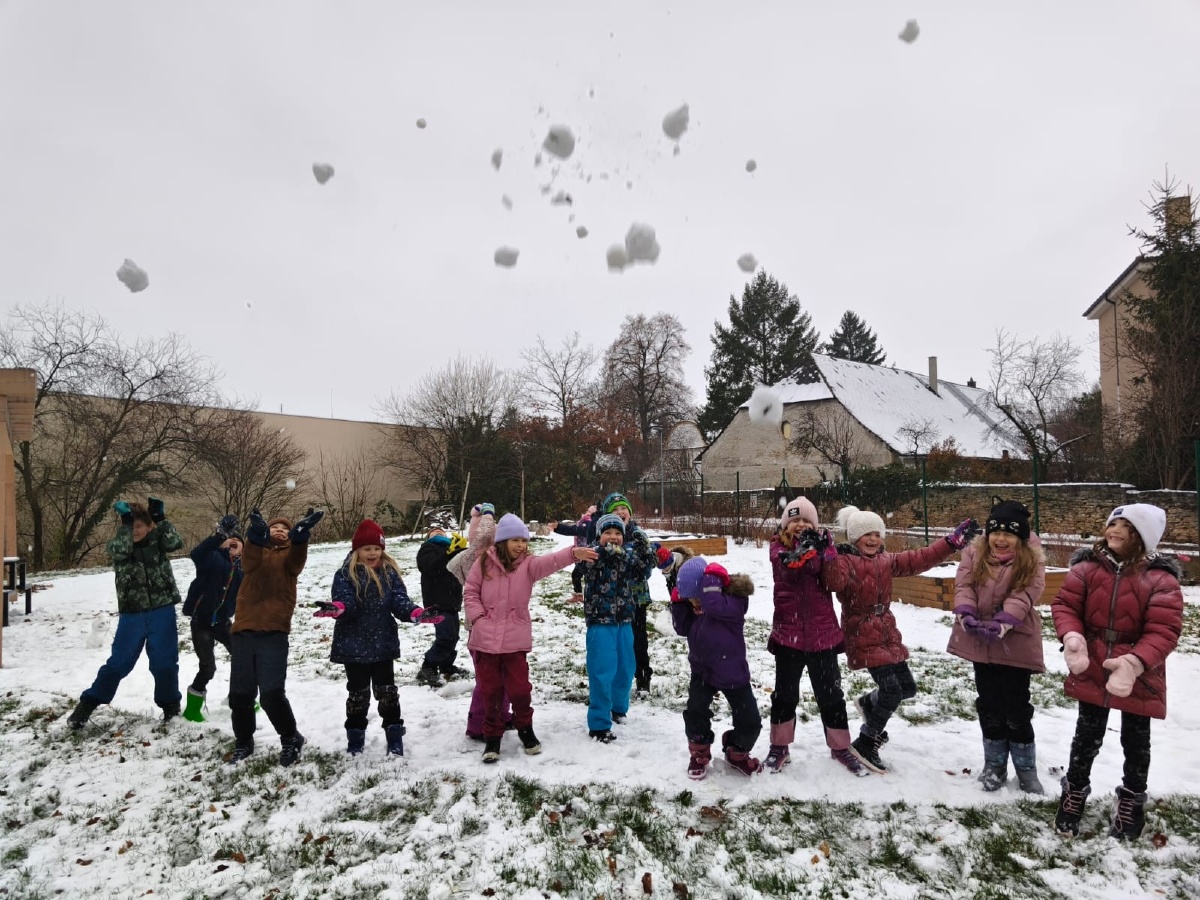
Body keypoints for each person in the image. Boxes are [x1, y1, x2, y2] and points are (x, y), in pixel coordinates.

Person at [1051, 503, 1183, 839]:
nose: (1115, 530)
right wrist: (1072, 637)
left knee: (1136, 741)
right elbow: (1065, 605)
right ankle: (1074, 793)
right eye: (1113, 523)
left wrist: (1134, 663)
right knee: (1086, 735)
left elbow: (1164, 631)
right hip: (1092, 664)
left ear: (1142, 536)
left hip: (1138, 672)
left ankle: (1131, 802)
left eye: (1126, 526)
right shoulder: (1086, 569)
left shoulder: (1161, 580)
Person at [823, 505, 978, 773]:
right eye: (866, 535)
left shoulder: (886, 560)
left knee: (907, 688)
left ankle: (869, 703)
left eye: (877, 534)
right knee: (892, 691)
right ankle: (866, 741)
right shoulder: (845, 561)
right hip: (861, 633)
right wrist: (830, 556)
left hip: (887, 632)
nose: (873, 539)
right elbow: (833, 582)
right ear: (854, 537)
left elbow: (919, 558)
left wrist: (950, 543)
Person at [464, 513, 597, 762]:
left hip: (515, 642)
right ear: (502, 541)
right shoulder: (483, 562)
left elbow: (551, 561)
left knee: (520, 690)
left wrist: (573, 553)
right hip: (485, 641)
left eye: (523, 540)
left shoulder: (528, 565)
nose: (520, 545)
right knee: (490, 692)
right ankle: (492, 738)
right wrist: (478, 618)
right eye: (515, 540)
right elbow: (470, 591)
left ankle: (526, 729)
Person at [313, 519, 442, 756]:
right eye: (367, 548)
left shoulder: (389, 573)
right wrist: (338, 608)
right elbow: (346, 601)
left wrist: (415, 613)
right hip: (353, 645)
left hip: (382, 643)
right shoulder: (345, 575)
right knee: (358, 695)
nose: (373, 553)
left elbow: (399, 601)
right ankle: (355, 737)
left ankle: (394, 735)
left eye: (376, 548)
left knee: (388, 693)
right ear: (357, 550)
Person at [948, 499, 1046, 793]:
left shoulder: (1031, 558)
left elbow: (1026, 593)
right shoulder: (974, 553)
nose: (1001, 539)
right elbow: (964, 585)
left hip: (1015, 641)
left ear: (1021, 537)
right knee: (989, 704)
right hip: (981, 641)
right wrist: (966, 613)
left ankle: (1026, 769)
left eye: (1009, 534)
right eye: (996, 532)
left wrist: (1004, 622)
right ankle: (994, 764)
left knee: (1016, 707)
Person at [763, 496, 864, 776]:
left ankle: (840, 746)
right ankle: (779, 746)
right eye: (794, 519)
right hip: (788, 636)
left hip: (823, 636)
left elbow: (832, 580)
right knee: (784, 695)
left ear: (815, 524)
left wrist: (828, 553)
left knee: (831, 695)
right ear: (785, 524)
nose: (800, 524)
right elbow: (787, 570)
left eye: (806, 520)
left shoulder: (824, 544)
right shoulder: (778, 547)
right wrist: (803, 552)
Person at [69, 498, 184, 729]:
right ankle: (88, 703)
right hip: (132, 614)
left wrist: (160, 519)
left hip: (161, 610)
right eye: (131, 527)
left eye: (139, 526)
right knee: (119, 664)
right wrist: (126, 524)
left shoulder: (158, 542)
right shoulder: (118, 546)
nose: (135, 531)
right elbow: (121, 549)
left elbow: (175, 542)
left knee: (165, 663)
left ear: (149, 526)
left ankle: (170, 706)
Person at [226, 506, 324, 767]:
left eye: (285, 529)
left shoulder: (290, 556)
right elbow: (249, 562)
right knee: (240, 694)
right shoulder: (255, 552)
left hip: (274, 631)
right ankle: (243, 741)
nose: (280, 530)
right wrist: (255, 536)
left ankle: (291, 737)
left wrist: (300, 537)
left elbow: (297, 561)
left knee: (271, 694)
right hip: (244, 630)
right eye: (274, 527)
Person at [671, 556, 762, 779]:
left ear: (709, 589)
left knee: (750, 720)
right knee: (696, 712)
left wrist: (710, 588)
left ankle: (737, 751)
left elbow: (714, 606)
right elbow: (682, 629)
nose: (695, 604)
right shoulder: (696, 608)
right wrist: (679, 604)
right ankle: (699, 753)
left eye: (697, 598)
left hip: (732, 671)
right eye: (690, 600)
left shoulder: (733, 602)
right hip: (702, 671)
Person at [580, 513, 657, 742]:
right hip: (600, 621)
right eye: (607, 533)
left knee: (626, 667)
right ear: (599, 535)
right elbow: (582, 566)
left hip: (624, 619)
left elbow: (644, 570)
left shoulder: (627, 555)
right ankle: (599, 723)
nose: (613, 537)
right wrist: (605, 551)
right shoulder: (592, 553)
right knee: (602, 670)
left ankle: (618, 708)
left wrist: (644, 548)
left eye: (617, 533)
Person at [447, 503, 513, 740]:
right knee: (487, 681)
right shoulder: (473, 558)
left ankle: (502, 715)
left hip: (502, 628)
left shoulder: (497, 558)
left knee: (504, 676)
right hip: (481, 630)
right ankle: (477, 724)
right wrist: (488, 514)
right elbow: (484, 535)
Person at [180, 514, 244, 722]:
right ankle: (192, 709)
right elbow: (197, 553)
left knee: (242, 658)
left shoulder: (243, 570)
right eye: (230, 539)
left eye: (238, 541)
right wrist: (219, 536)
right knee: (208, 667)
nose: (233, 541)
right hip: (202, 624)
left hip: (223, 623)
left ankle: (239, 698)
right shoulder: (211, 559)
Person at [415, 526, 471, 688]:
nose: (438, 531)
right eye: (433, 531)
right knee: (445, 636)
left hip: (452, 602)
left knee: (453, 636)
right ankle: (428, 666)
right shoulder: (427, 549)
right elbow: (432, 567)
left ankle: (446, 665)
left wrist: (461, 551)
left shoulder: (452, 549)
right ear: (428, 537)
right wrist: (449, 554)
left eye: (441, 530)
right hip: (436, 602)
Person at [549, 504, 597, 601]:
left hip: (586, 555)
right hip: (581, 554)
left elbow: (573, 530)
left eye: (589, 511)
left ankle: (588, 597)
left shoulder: (589, 524)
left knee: (584, 576)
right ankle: (579, 595)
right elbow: (574, 529)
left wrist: (558, 527)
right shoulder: (584, 522)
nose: (587, 513)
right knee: (577, 575)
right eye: (587, 510)